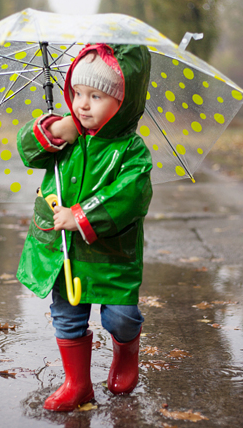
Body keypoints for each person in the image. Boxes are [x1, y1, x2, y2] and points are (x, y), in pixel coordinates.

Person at [16, 43, 152, 412]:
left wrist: (82, 215)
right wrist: (53, 130)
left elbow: (132, 193)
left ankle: (126, 351)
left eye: (96, 96)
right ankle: (77, 384)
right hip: (65, 254)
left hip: (112, 256)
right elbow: (28, 150)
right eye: (77, 93)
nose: (83, 104)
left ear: (123, 102)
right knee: (67, 314)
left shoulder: (130, 150)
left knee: (120, 317)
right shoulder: (66, 135)